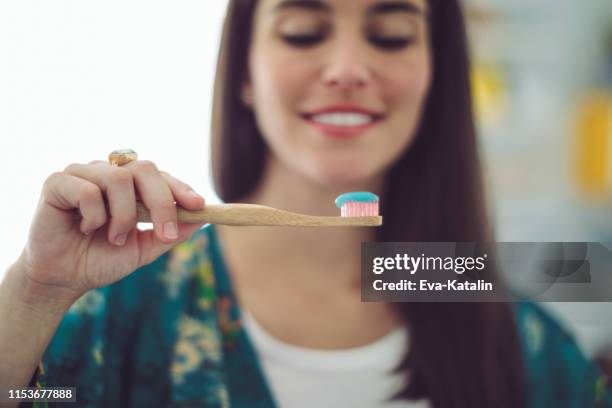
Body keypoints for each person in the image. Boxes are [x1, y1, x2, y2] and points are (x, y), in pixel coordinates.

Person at [1, 0, 610, 407]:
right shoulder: (118, 302)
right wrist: (35, 291)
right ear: (244, 71)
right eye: (301, 32)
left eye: (392, 36)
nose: (347, 69)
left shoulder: (494, 314)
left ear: (436, 74)